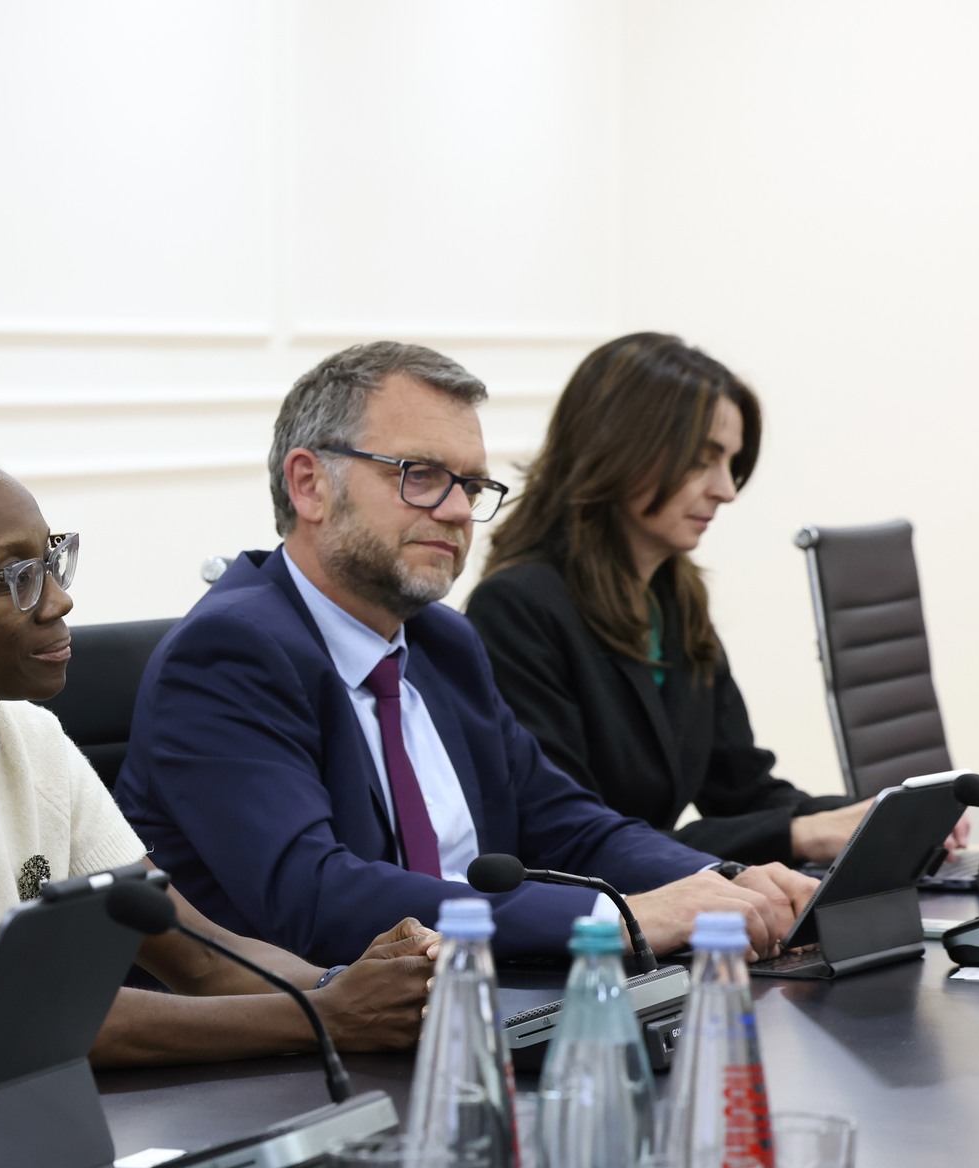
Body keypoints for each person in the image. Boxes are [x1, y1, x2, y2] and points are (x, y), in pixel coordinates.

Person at [114, 342, 822, 966]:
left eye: (472, 485)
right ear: (309, 485)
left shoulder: (442, 642)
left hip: (475, 999)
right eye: (419, 474)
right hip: (307, 1046)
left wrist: (723, 883)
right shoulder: (229, 653)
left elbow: (569, 828)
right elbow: (316, 897)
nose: (457, 510)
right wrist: (618, 917)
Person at [0, 445, 438, 1064]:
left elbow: (200, 960)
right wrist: (327, 1016)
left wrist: (364, 985)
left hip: (1, 1119)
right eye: (15, 576)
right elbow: (15, 1015)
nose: (58, 601)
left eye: (51, 560)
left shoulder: (30, 738)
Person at [466, 332, 878, 866]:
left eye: (730, 463)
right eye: (702, 460)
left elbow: (743, 789)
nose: (726, 490)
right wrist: (796, 834)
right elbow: (572, 841)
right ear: (618, 449)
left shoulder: (674, 600)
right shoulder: (517, 609)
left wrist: (874, 815)